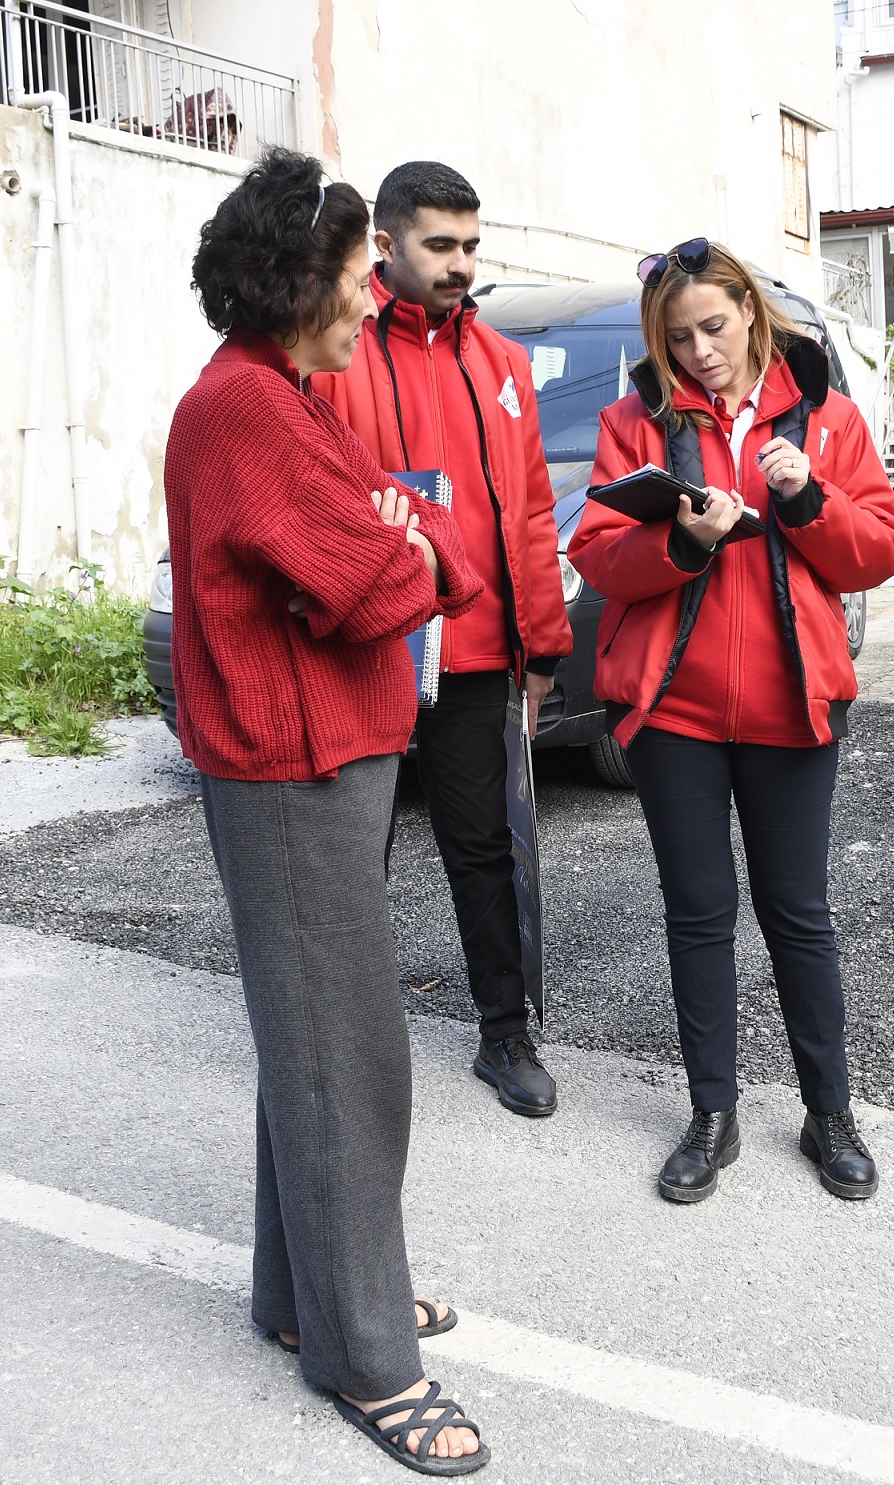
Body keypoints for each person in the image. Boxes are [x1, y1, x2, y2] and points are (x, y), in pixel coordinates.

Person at [165, 146, 492, 1475]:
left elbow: (426, 543)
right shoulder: (243, 409)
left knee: (310, 1043)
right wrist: (404, 546)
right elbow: (377, 580)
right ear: (301, 284)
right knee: (346, 1057)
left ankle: (304, 1294)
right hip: (288, 767)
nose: (374, 296)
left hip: (331, 754)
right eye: (360, 275)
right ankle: (364, 1353)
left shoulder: (289, 394)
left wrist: (406, 543)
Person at [569, 238, 894, 1205]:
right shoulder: (635, 421)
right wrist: (681, 539)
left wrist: (807, 497)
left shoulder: (826, 416)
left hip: (791, 710)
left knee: (799, 915)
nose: (700, 353)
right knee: (697, 913)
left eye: (713, 328)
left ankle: (828, 1113)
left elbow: (880, 550)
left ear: (751, 312)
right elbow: (597, 553)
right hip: (673, 713)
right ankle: (711, 1115)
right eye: (678, 338)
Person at [312, 161, 573, 1120]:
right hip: (366, 648)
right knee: (355, 850)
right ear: (385, 245)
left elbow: (532, 514)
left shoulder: (502, 364)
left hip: (476, 653)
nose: (461, 263)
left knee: (486, 849)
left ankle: (506, 1033)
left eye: (471, 245)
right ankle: (336, 1038)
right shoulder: (334, 350)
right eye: (440, 245)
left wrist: (541, 650)